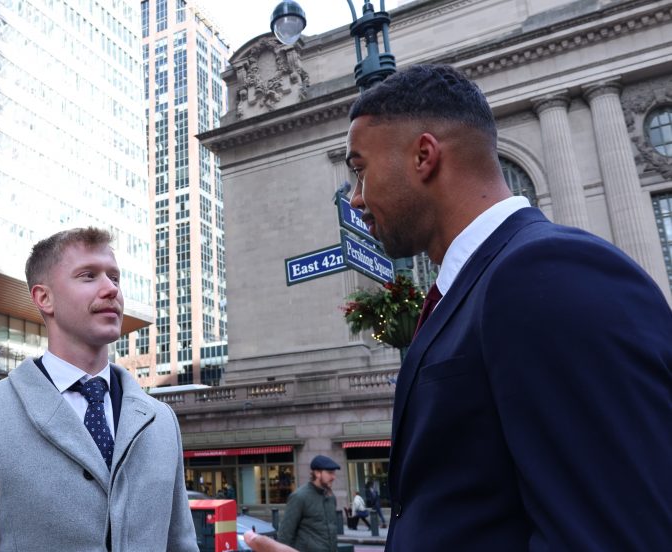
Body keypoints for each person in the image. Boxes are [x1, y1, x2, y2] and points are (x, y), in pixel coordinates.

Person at [246, 64, 672, 552]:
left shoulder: (546, 273)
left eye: (360, 169)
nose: (357, 199)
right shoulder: (480, 286)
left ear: (424, 155)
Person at [0, 227, 198, 551]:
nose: (111, 289)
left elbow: (180, 543)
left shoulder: (161, 420)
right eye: (88, 276)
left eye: (114, 277)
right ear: (44, 297)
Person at [275, 455, 341, 552]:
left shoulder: (331, 497)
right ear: (317, 473)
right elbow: (285, 535)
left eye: (334, 473)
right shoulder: (299, 496)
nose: (333, 477)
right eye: (330, 473)